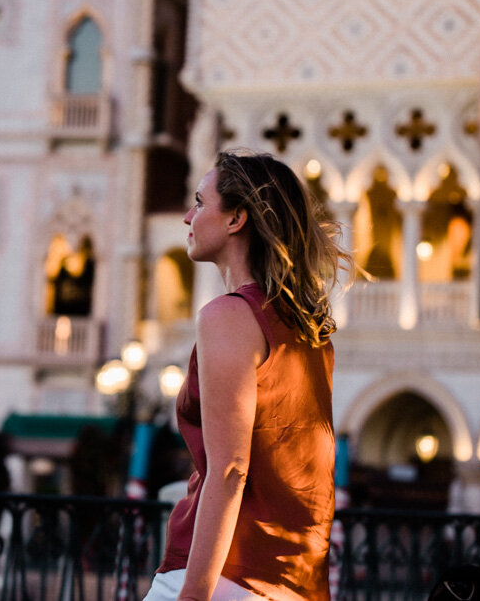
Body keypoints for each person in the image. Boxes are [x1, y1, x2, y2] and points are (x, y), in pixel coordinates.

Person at [145, 149, 354, 601]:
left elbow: (230, 469)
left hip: (225, 576)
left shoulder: (230, 315)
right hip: (294, 578)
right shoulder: (308, 329)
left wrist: (194, 593)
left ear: (237, 219)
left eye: (200, 202)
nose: (187, 216)